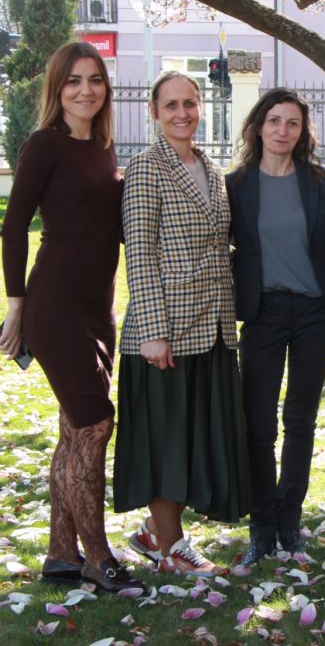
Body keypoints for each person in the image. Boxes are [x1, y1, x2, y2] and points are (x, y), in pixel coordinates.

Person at [0, 42, 144, 594]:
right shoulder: (44, 146)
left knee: (72, 433)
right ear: (57, 90)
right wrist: (17, 305)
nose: (86, 90)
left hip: (97, 309)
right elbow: (13, 227)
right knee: (94, 424)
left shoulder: (104, 150)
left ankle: (61, 553)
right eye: (74, 81)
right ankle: (97, 557)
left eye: (96, 80)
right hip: (54, 305)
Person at [115, 71, 251, 577]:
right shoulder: (146, 169)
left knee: (192, 435)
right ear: (154, 111)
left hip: (211, 325)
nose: (182, 113)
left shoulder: (212, 169)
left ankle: (156, 534)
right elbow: (140, 253)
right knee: (166, 440)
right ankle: (171, 550)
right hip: (164, 331)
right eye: (171, 105)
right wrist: (152, 330)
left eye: (190, 103)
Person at [227, 89, 325, 564]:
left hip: (314, 313)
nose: (282, 131)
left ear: (302, 131)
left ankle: (290, 520)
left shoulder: (319, 182)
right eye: (273, 121)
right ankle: (262, 525)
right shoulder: (235, 185)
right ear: (258, 126)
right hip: (263, 313)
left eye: (292, 123)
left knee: (300, 420)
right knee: (258, 425)